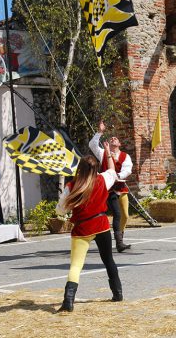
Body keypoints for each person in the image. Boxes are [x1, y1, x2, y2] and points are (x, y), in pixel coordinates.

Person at [56, 142, 123, 312]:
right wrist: (107, 152)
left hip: (82, 229)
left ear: (80, 168)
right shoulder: (102, 179)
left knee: (76, 266)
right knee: (108, 260)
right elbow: (112, 171)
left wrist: (67, 210)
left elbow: (60, 210)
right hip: (101, 225)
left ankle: (68, 302)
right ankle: (118, 294)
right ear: (95, 169)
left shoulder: (71, 187)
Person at [89, 121, 132, 252]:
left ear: (119, 144)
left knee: (125, 215)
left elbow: (127, 170)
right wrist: (100, 131)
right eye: (111, 138)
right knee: (108, 213)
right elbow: (92, 145)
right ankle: (116, 242)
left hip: (120, 188)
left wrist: (116, 176)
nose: (113, 138)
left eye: (116, 139)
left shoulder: (125, 156)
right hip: (107, 189)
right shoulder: (103, 153)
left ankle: (120, 237)